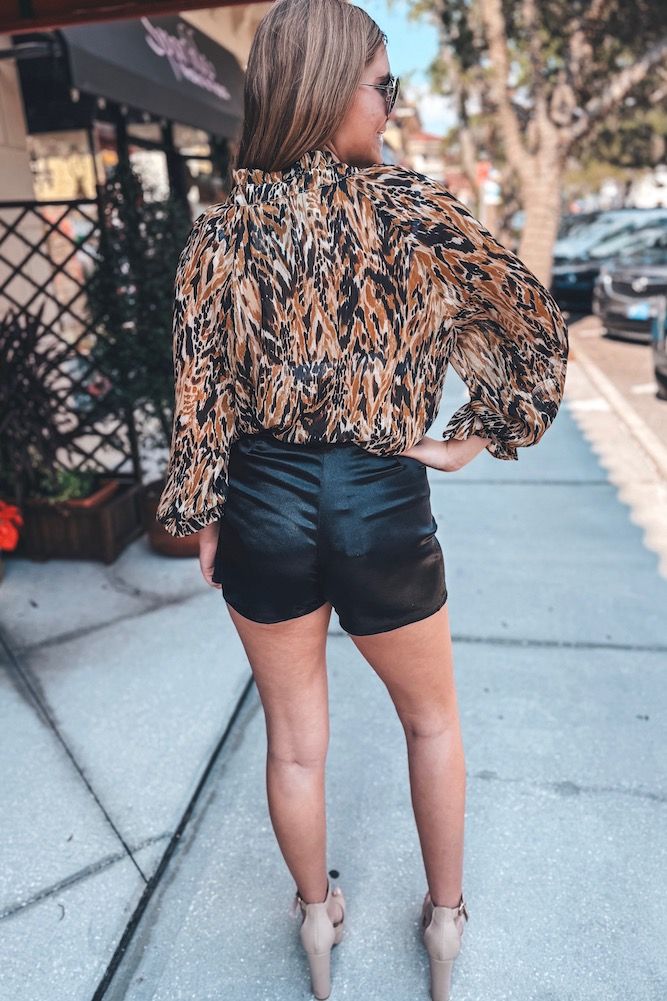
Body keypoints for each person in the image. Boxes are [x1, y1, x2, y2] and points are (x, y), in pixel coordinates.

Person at [155, 1, 569, 997]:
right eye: (385, 85)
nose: (393, 105)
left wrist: (205, 511)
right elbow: (533, 333)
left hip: (262, 502)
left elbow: (199, 389)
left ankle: (315, 916)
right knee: (431, 723)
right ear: (328, 91)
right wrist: (471, 439)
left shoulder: (221, 234)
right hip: (381, 498)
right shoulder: (415, 215)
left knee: (295, 744)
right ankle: (444, 922)